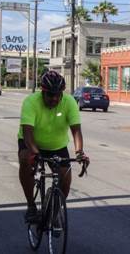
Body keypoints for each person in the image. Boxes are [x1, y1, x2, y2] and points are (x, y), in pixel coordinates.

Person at [17, 70, 89, 222]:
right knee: (25, 160)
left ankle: (53, 213)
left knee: (66, 179)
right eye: (50, 95)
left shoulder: (69, 102)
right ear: (42, 92)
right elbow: (28, 134)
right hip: (31, 143)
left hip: (57, 146)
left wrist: (79, 153)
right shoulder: (31, 102)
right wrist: (35, 154)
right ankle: (31, 206)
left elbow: (76, 131)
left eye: (58, 95)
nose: (54, 99)